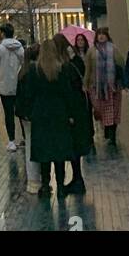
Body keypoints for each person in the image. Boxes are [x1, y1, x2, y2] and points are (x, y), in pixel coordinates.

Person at [16, 38, 85, 199]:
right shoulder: (62, 69)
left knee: (44, 152)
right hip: (59, 113)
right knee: (58, 152)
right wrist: (71, 114)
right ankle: (61, 186)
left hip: (41, 114)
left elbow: (29, 94)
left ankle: (46, 185)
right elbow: (68, 94)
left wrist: (29, 112)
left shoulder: (34, 70)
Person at [54, 32, 89, 193]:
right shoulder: (76, 61)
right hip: (79, 106)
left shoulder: (64, 66)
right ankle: (77, 178)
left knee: (69, 144)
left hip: (69, 108)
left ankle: (73, 181)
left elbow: (65, 89)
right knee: (77, 143)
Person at [85, 27, 123, 145]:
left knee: (113, 110)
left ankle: (112, 134)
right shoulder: (91, 51)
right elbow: (88, 68)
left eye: (103, 34)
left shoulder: (113, 49)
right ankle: (106, 130)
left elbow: (121, 63)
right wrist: (86, 84)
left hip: (112, 86)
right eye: (99, 34)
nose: (101, 36)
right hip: (97, 87)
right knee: (101, 111)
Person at [16, 43, 42, 193]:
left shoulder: (22, 71)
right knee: (37, 144)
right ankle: (37, 179)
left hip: (25, 114)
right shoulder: (37, 71)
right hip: (35, 113)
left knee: (29, 145)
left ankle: (32, 181)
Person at [0, 22, 25, 151]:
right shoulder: (20, 48)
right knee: (22, 112)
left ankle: (11, 141)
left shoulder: (0, 49)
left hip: (5, 85)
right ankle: (25, 137)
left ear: (3, 33)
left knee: (8, 114)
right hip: (19, 84)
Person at [70, 32, 95, 150]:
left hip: (91, 85)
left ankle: (91, 132)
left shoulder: (90, 54)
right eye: (78, 40)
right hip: (80, 88)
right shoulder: (74, 58)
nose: (80, 42)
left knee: (90, 109)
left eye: (82, 40)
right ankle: (87, 134)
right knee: (85, 110)